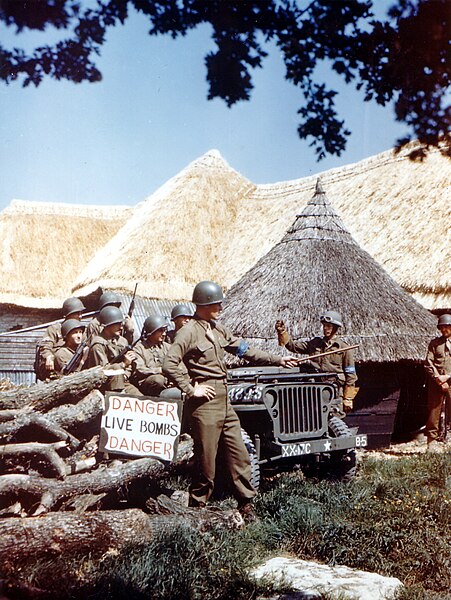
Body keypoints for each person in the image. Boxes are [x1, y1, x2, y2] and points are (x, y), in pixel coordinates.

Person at [162, 280, 298, 521]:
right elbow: (169, 363)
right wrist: (191, 388)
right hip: (206, 404)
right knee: (206, 462)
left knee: (239, 454)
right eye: (216, 304)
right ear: (203, 304)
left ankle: (246, 504)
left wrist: (278, 360)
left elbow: (244, 350)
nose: (220, 308)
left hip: (225, 401)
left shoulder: (218, 329)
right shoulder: (188, 331)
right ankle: (197, 510)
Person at [275, 310, 357, 416]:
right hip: (313, 390)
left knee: (334, 419)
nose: (325, 328)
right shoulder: (315, 344)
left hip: (333, 391)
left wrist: (348, 398)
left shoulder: (344, 348)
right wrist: (282, 332)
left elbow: (351, 375)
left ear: (336, 328)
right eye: (324, 326)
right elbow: (293, 346)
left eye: (329, 326)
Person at [84, 305, 140, 395]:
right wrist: (123, 364)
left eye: (121, 324)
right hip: (104, 386)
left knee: (140, 400)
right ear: (107, 325)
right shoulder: (98, 344)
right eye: (117, 324)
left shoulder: (122, 341)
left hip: (123, 380)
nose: (121, 327)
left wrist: (126, 374)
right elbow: (102, 371)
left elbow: (130, 364)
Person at [35, 297, 86, 380]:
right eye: (77, 313)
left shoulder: (81, 331)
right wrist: (49, 357)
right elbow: (45, 347)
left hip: (75, 363)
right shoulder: (54, 329)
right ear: (68, 314)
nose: (80, 316)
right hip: (57, 365)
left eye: (81, 313)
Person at [424, 313, 451, 451]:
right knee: (433, 411)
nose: (444, 330)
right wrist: (438, 379)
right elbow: (428, 362)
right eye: (442, 327)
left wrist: (448, 377)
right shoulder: (434, 343)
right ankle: (431, 441)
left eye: (446, 327)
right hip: (437, 382)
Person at [131, 315, 172, 396]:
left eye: (165, 330)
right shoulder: (139, 348)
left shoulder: (168, 347)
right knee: (158, 379)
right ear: (151, 332)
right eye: (160, 331)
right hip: (146, 384)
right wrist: (160, 370)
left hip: (168, 382)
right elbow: (140, 370)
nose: (164, 334)